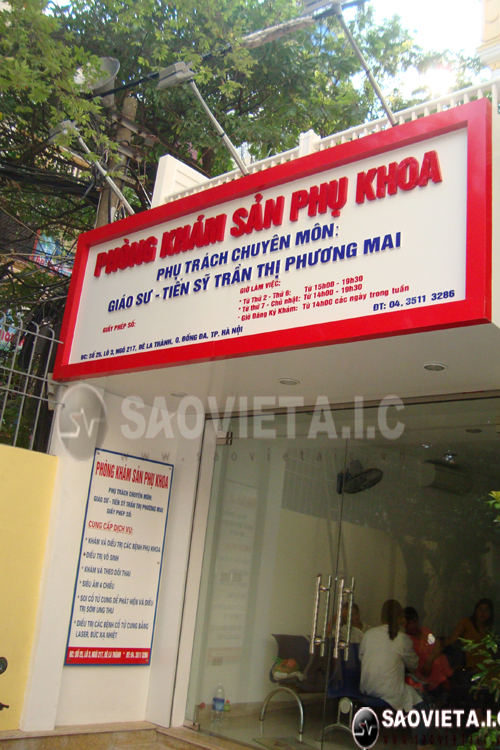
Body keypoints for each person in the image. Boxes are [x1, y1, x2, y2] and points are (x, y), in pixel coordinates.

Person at [359, 600, 430, 749]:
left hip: (367, 687)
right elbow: (414, 664)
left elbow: (361, 657)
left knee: (405, 691)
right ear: (400, 619)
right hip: (388, 690)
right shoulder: (402, 638)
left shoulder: (369, 634)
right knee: (421, 702)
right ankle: (422, 744)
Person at [404, 606, 453, 695]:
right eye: (409, 623)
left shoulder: (425, 631)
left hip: (442, 665)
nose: (412, 626)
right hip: (426, 672)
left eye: (414, 622)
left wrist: (431, 658)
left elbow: (438, 645)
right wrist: (431, 659)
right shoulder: (406, 640)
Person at [444, 598, 494, 671]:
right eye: (480, 609)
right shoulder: (466, 623)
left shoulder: (490, 629)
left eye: (486, 610)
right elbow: (451, 639)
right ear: (475, 611)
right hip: (472, 667)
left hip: (488, 667)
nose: (482, 613)